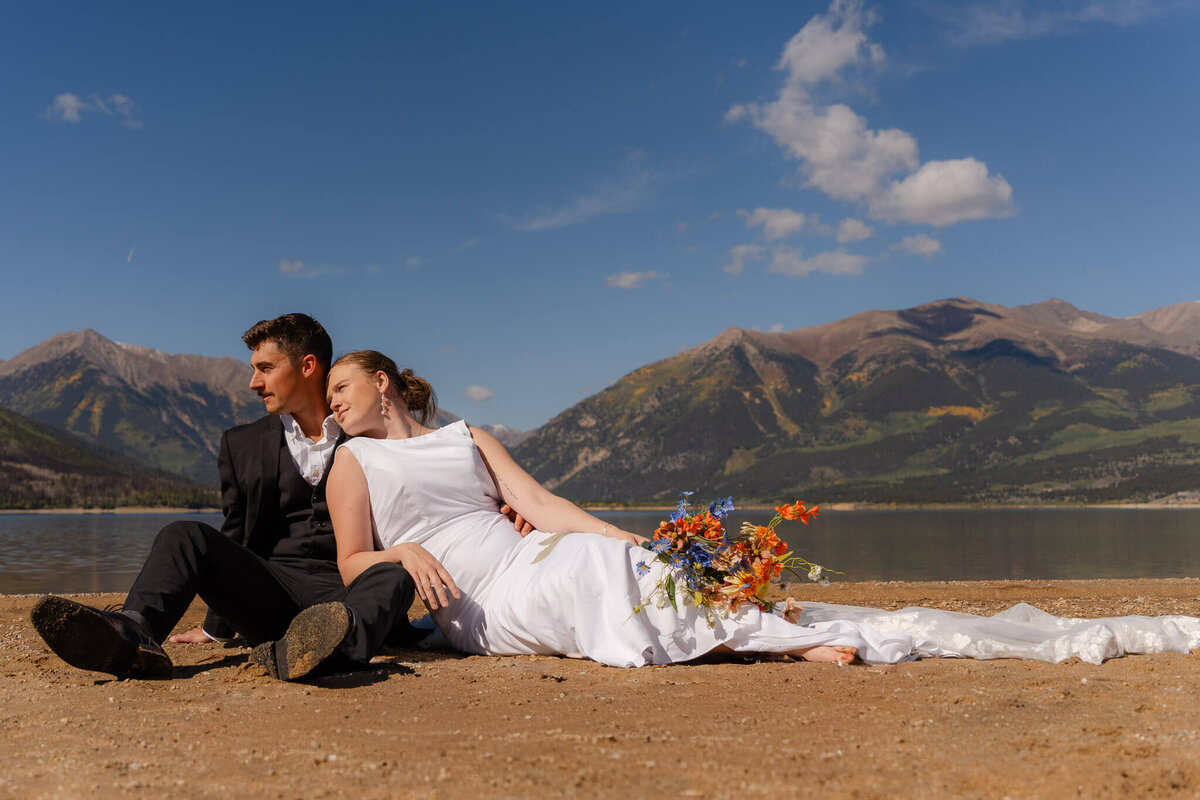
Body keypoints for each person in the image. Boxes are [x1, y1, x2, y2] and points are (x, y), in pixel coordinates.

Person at [325, 350, 1200, 668]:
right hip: (476, 600)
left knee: (613, 562)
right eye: (325, 394)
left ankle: (772, 634)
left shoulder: (466, 434)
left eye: (340, 386)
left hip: (529, 555)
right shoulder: (350, 463)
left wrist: (637, 538)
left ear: (385, 383)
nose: (330, 402)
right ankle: (788, 641)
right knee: (590, 580)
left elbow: (538, 502)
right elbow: (350, 564)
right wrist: (401, 560)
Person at [31, 314, 529, 682]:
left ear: (307, 366)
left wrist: (504, 509)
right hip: (273, 591)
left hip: (354, 591)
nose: (253, 382)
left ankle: (333, 648)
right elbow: (234, 535)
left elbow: (438, 488)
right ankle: (133, 633)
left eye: (265, 368)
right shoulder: (241, 444)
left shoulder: (371, 435)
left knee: (394, 569)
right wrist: (216, 628)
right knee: (183, 534)